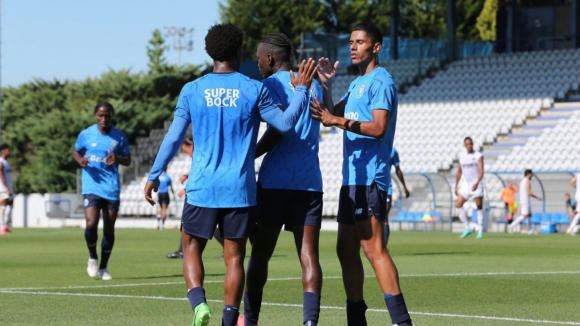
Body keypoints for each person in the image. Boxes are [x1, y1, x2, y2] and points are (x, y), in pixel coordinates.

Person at [143, 23, 317, 326]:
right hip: (240, 188)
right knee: (235, 258)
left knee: (191, 247)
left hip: (202, 186)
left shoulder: (192, 90)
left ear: (211, 52)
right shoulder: (253, 88)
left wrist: (154, 174)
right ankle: (229, 319)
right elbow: (286, 125)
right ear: (238, 51)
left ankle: (198, 303)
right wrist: (301, 89)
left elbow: (173, 138)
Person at [310, 23, 413, 326]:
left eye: (360, 42)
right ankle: (357, 318)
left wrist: (336, 119)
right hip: (351, 180)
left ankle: (402, 322)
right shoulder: (357, 84)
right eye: (351, 42)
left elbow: (379, 127)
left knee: (373, 248)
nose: (353, 46)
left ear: (376, 47)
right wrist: (326, 86)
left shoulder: (382, 82)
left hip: (370, 178)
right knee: (345, 249)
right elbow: (331, 116)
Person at [242, 33, 324, 326]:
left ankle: (250, 320)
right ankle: (310, 322)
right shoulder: (313, 83)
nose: (257, 62)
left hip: (276, 181)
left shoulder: (270, 85)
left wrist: (250, 153)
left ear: (271, 58)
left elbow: (278, 131)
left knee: (260, 254)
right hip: (309, 182)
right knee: (309, 255)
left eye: (259, 57)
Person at [73, 101, 131, 280]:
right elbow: (76, 151)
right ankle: (92, 258)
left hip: (111, 188)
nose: (104, 118)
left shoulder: (119, 137)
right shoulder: (86, 134)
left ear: (111, 116)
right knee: (91, 223)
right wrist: (80, 160)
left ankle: (104, 267)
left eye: (107, 115)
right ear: (96, 116)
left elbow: (128, 160)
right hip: (91, 186)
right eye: (100, 115)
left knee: (109, 228)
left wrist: (118, 158)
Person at [166, 138, 224, 259]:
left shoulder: (196, 151)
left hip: (203, 192)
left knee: (191, 222)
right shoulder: (203, 150)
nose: (186, 153)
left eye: (185, 150)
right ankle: (181, 250)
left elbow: (202, 172)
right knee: (194, 223)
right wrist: (187, 175)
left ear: (188, 146)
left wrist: (186, 189)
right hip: (210, 189)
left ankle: (226, 246)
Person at [455, 137, 485, 239]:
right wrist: (456, 186)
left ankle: (480, 231)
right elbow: (459, 171)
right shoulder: (462, 157)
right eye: (467, 144)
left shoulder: (478, 156)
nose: (469, 146)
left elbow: (481, 170)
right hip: (466, 185)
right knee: (458, 204)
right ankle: (467, 228)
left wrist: (477, 182)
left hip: (476, 184)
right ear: (465, 145)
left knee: (479, 207)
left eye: (471, 144)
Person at [384, 147, 410, 246]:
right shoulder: (373, 147)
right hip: (372, 188)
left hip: (386, 188)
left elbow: (397, 169)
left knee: (384, 216)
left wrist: (404, 186)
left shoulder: (393, 151)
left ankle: (384, 246)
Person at [508, 170, 542, 234]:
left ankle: (530, 230)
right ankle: (511, 226)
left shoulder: (522, 181)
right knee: (524, 215)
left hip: (523, 201)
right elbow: (529, 193)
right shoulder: (527, 181)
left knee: (529, 215)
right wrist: (537, 197)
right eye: (531, 174)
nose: (532, 175)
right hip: (524, 201)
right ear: (528, 174)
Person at [0, 144, 14, 235]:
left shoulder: (6, 162)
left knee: (10, 205)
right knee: (3, 207)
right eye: (8, 150)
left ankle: (5, 226)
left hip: (9, 186)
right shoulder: (1, 162)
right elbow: (1, 175)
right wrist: (6, 188)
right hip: (2, 187)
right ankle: (1, 227)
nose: (10, 152)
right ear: (3, 151)